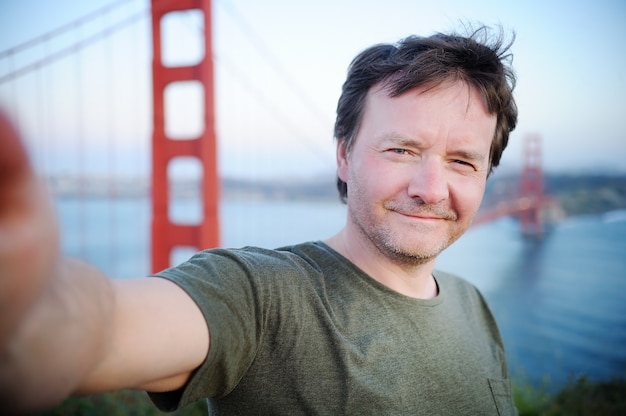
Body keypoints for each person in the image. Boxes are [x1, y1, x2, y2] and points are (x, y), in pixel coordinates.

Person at [0, 25, 518, 415]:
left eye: (462, 161)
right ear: (344, 155)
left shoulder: (474, 306)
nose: (430, 188)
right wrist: (28, 312)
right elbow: (99, 327)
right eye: (402, 149)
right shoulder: (262, 295)